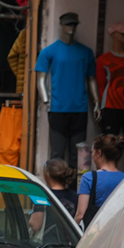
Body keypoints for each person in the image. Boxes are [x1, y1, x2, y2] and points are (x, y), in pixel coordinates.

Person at [36, 12, 99, 167]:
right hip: (57, 109)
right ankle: (55, 189)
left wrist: (96, 101)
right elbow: (40, 79)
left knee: (80, 154)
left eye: (74, 24)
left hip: (80, 109)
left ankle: (78, 189)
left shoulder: (86, 52)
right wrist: (45, 99)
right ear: (62, 25)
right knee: (57, 153)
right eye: (68, 24)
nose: (71, 28)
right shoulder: (49, 51)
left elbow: (91, 78)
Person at [76, 134, 124, 226]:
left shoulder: (89, 177)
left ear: (99, 153)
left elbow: (80, 215)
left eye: (92, 152)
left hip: (96, 233)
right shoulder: (122, 178)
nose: (92, 156)